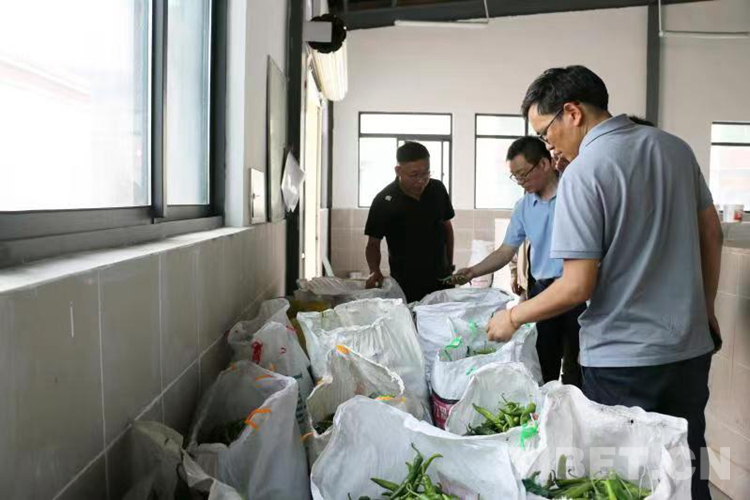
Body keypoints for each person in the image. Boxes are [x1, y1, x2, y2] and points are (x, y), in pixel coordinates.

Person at [486, 65, 723, 499]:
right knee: (689, 465)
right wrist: (705, 309)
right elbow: (712, 234)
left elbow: (577, 286)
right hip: (689, 349)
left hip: (622, 360)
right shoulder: (675, 149)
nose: (549, 144)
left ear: (572, 113)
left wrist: (513, 317)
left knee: (623, 479)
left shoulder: (584, 172)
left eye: (545, 132)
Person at [450, 137, 585, 387]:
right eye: (516, 177)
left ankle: (574, 404)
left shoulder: (576, 193)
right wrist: (472, 272)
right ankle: (546, 406)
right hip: (543, 290)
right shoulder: (523, 206)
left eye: (523, 174)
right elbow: (505, 251)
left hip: (577, 288)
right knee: (544, 358)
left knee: (576, 362)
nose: (521, 182)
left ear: (544, 164)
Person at [364, 141, 455, 303]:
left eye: (426, 173)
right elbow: (373, 244)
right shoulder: (384, 200)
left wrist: (449, 264)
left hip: (441, 280)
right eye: (414, 175)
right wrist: (374, 270)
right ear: (398, 170)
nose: (421, 180)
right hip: (405, 283)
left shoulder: (438, 189)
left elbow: (447, 228)